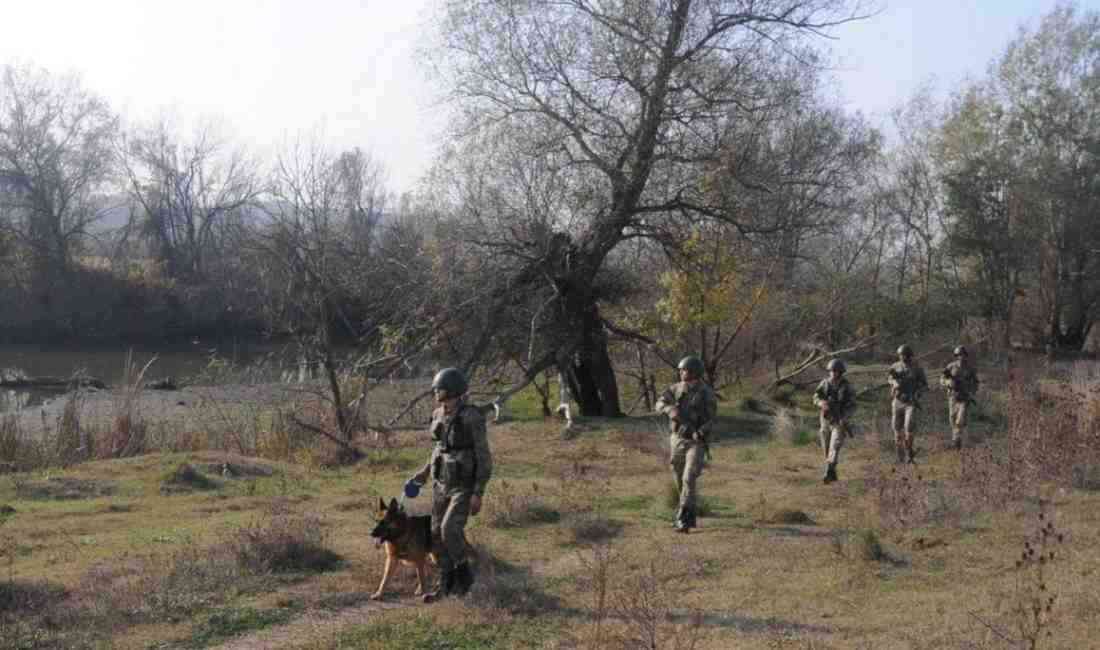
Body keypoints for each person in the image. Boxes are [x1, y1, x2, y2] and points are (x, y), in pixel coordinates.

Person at [407, 367, 492, 601]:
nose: (436, 392)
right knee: (434, 534)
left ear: (452, 390)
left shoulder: (471, 417)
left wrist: (478, 492)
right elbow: (440, 448)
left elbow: (483, 456)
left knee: (450, 530)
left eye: (440, 389)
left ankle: (465, 578)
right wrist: (424, 473)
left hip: (463, 486)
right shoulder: (437, 414)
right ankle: (446, 583)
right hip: (441, 483)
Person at [655, 355, 717, 533]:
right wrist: (670, 409)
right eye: (681, 370)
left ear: (695, 372)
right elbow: (659, 403)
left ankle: (685, 519)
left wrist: (700, 433)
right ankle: (684, 510)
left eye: (685, 370)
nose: (681, 372)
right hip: (677, 439)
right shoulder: (675, 389)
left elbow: (712, 419)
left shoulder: (706, 393)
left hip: (696, 442)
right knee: (678, 475)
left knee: (689, 477)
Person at [813, 358, 855, 484]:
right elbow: (816, 397)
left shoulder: (847, 386)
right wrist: (821, 403)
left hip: (839, 419)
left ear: (841, 372)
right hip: (826, 418)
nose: (834, 373)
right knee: (826, 446)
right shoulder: (824, 383)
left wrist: (845, 417)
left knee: (835, 445)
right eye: (832, 371)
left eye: (836, 371)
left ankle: (828, 471)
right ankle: (832, 471)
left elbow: (853, 404)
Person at [887, 344, 928, 464]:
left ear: (910, 356)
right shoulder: (895, 366)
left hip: (911, 402)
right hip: (898, 401)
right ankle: (900, 458)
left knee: (909, 428)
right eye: (900, 355)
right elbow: (889, 378)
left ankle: (909, 452)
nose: (902, 357)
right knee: (896, 430)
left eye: (904, 355)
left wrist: (917, 393)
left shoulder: (917, 368)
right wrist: (894, 383)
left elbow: (925, 385)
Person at [940, 345, 980, 450]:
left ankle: (956, 442)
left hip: (964, 398)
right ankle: (958, 439)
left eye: (963, 355)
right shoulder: (951, 366)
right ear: (956, 356)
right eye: (959, 355)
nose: (961, 357)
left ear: (966, 356)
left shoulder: (970, 369)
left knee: (959, 421)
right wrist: (948, 382)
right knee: (952, 419)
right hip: (953, 397)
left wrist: (972, 392)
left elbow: (976, 383)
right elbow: (942, 379)